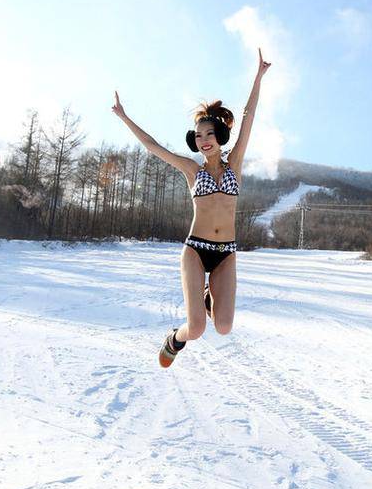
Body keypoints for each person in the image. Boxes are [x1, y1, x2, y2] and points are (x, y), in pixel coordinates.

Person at [112, 48, 271, 367]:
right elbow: (153, 147)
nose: (203, 140)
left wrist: (258, 77)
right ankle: (175, 338)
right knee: (196, 329)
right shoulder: (191, 170)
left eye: (209, 134)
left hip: (226, 252)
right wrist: (123, 116)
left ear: (220, 136)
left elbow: (249, 118)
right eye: (198, 136)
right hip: (196, 250)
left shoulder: (234, 166)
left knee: (224, 327)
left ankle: (210, 298)